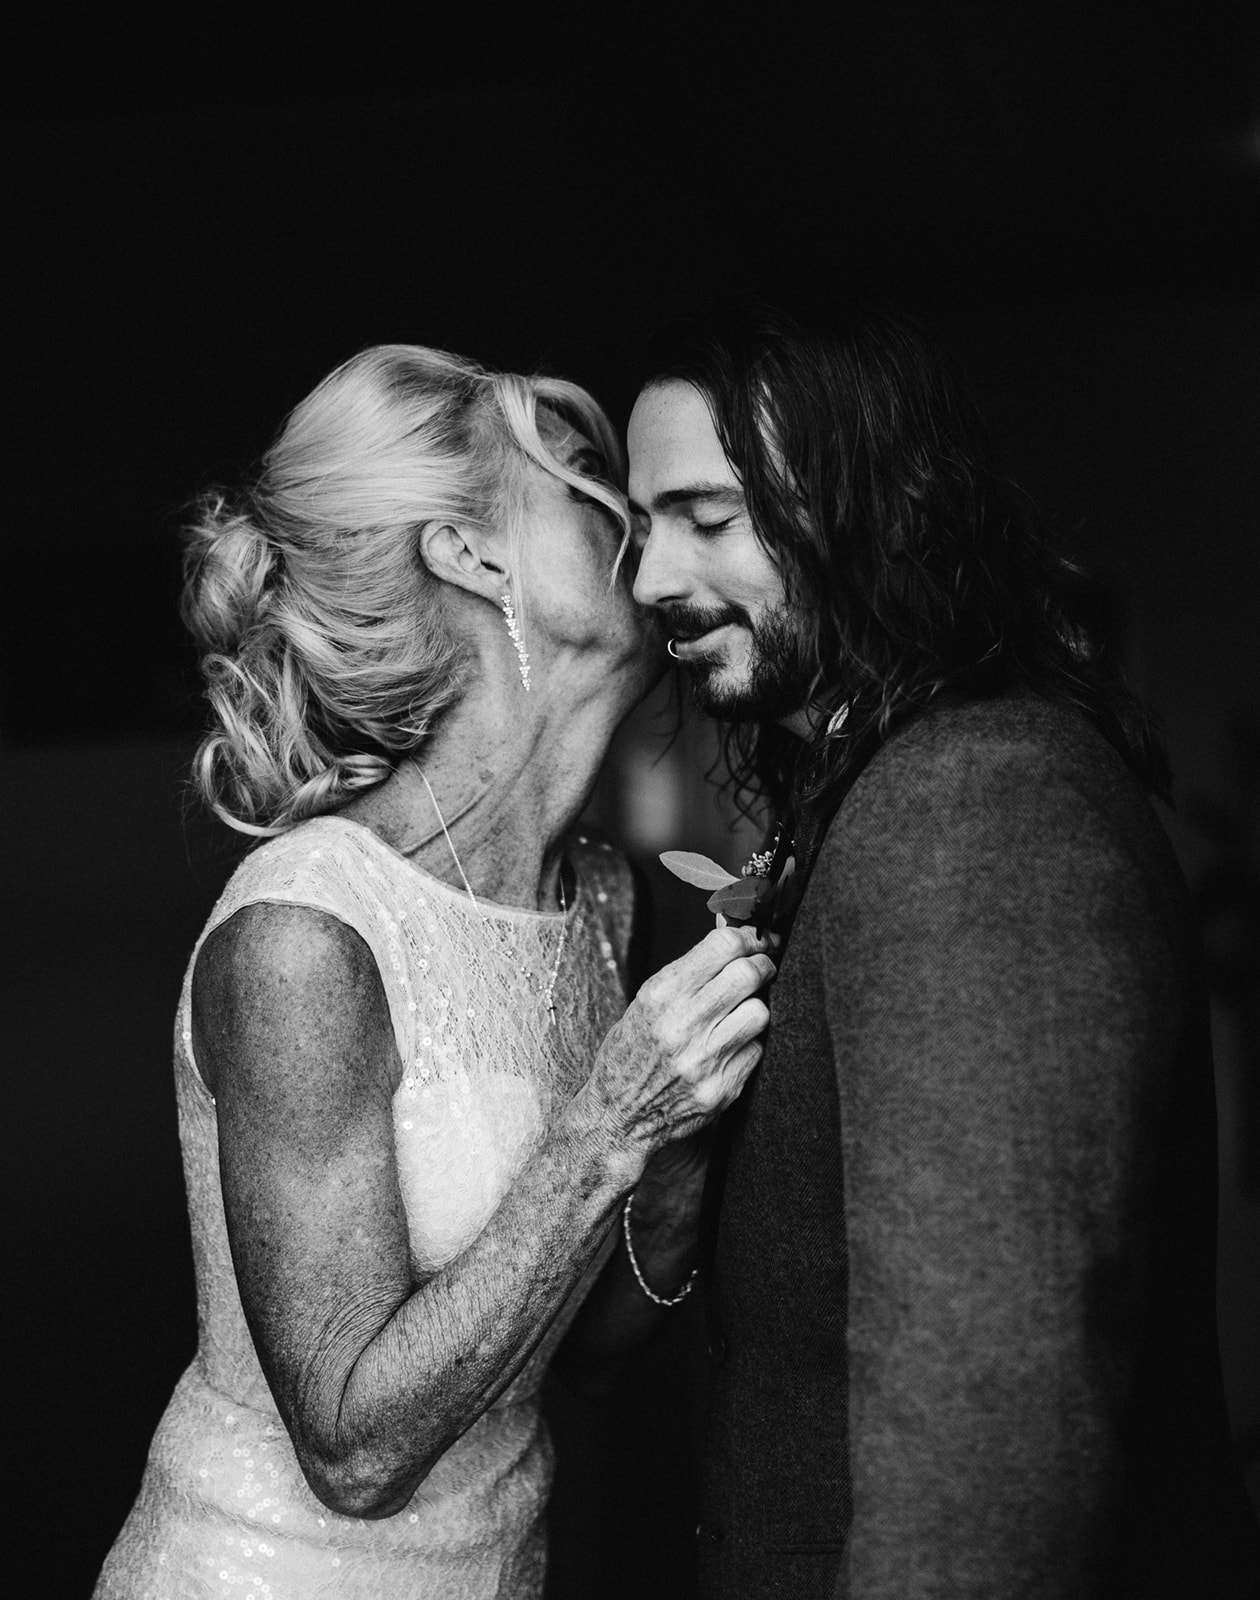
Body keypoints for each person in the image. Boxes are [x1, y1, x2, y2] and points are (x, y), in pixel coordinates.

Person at [92, 343, 776, 1599]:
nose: (634, 522)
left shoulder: (601, 896)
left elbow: (594, 1354)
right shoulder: (307, 936)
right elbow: (351, 1448)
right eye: (584, 482)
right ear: (470, 553)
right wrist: (613, 1120)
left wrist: (682, 1143)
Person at [625, 303, 1260, 1598]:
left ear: (870, 504)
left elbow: (988, 1429)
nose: (649, 580)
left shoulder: (971, 805)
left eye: (708, 518)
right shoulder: (881, 798)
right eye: (642, 526)